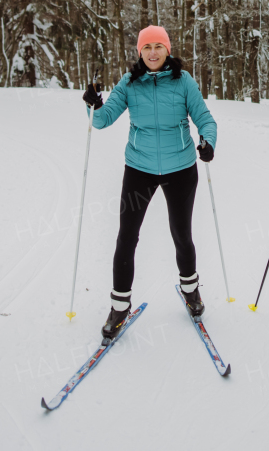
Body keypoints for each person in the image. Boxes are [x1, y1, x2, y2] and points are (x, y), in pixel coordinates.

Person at [82, 25, 218, 342]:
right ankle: (119, 307)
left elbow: (205, 119)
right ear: (139, 52)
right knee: (127, 236)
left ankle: (191, 291)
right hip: (139, 168)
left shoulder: (183, 81)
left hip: (181, 168)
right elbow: (101, 120)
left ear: (167, 50)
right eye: (147, 47)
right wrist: (92, 104)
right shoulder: (129, 83)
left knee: (181, 234)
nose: (153, 52)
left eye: (159, 46)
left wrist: (207, 141)